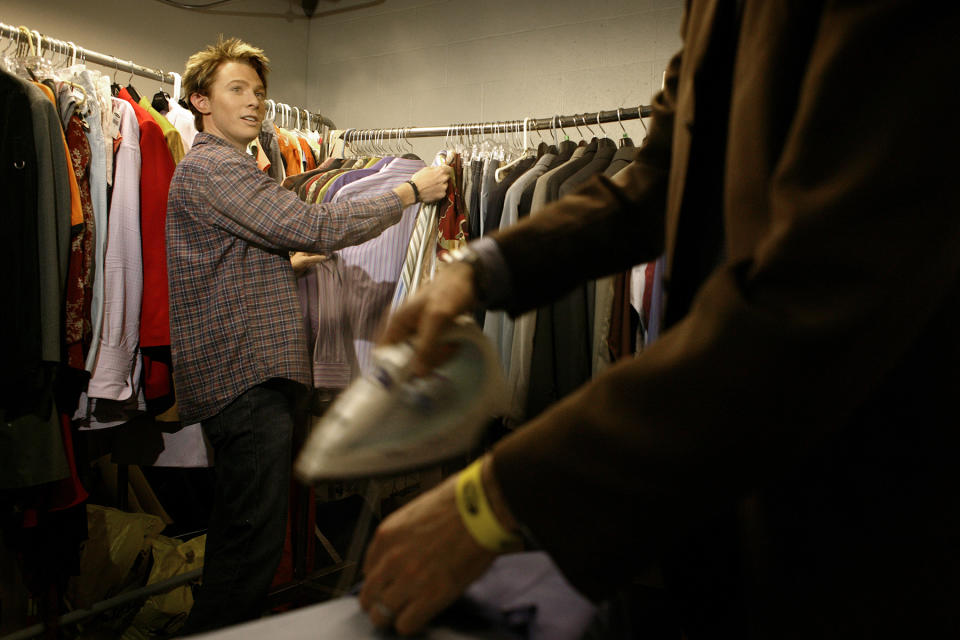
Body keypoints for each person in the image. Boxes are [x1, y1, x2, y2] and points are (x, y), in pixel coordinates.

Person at [359, 2, 960, 638]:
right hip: (720, 491)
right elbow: (661, 172)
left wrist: (500, 496)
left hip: (858, 501)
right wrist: (482, 266)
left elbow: (823, 292)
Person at [166, 36, 450, 634]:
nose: (254, 104)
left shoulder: (230, 168)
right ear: (199, 101)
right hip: (247, 380)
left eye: (259, 93)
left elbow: (231, 252)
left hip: (248, 377)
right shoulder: (217, 167)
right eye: (236, 90)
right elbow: (312, 223)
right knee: (252, 547)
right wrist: (406, 192)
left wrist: (280, 266)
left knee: (241, 534)